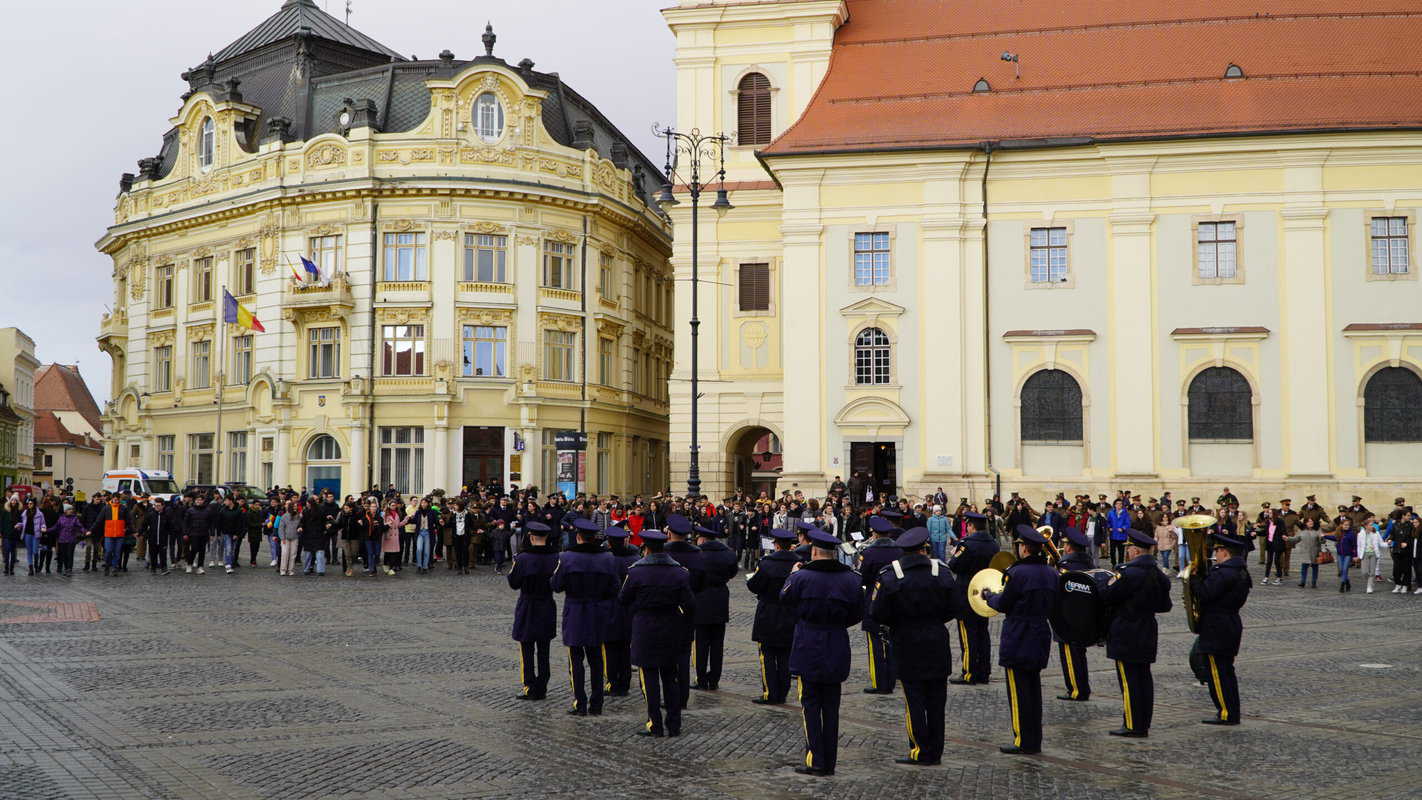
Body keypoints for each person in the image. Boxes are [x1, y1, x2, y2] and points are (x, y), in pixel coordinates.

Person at [869, 526, 959, 766]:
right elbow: (954, 607)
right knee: (937, 700)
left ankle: (920, 749)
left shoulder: (891, 575)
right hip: (937, 640)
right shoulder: (942, 572)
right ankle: (936, 751)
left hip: (906, 640)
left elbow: (878, 612)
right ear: (924, 548)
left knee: (915, 699)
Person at [781, 526, 864, 777]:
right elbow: (857, 613)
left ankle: (815, 758)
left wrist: (792, 575)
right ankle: (830, 761)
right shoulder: (851, 578)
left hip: (808, 642)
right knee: (831, 707)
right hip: (836, 642)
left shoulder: (801, 577)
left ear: (814, 551)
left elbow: (785, 600)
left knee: (810, 705)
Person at [980, 526, 1057, 755]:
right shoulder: (1052, 573)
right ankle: (1035, 739)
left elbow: (1004, 604)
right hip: (1040, 632)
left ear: (1024, 548)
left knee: (1019, 691)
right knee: (1034, 689)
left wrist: (989, 596)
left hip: (1019, 633)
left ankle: (1023, 740)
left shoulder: (1018, 573)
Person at [618, 528, 695, 737]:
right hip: (672, 625)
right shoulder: (680, 572)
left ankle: (655, 724)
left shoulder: (636, 571)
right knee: (671, 677)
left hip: (645, 627)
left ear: (645, 548)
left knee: (649, 677)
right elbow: (689, 603)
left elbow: (623, 599)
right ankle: (674, 724)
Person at [1099, 528, 1173, 738]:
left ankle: (1132, 725)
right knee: (1143, 680)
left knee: (1129, 681)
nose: (1128, 552)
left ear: (1136, 551)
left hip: (1126, 630)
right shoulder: (1158, 575)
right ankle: (1143, 722)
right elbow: (1165, 606)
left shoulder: (1128, 574)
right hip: (1147, 629)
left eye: (1130, 548)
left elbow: (1107, 595)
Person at [551, 517, 619, 716]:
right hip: (598, 611)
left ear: (578, 537)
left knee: (576, 659)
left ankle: (579, 702)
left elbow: (556, 585)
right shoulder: (607, 558)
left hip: (575, 611)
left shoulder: (567, 558)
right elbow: (614, 587)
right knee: (597, 659)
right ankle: (597, 703)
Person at [1193, 532, 1251, 726]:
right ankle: (1230, 711)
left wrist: (1194, 580)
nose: (1214, 554)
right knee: (1226, 671)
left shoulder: (1224, 573)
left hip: (1217, 626)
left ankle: (1226, 713)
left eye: (1216, 550)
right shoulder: (1240, 570)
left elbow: (1205, 594)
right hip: (1229, 624)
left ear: (1225, 552)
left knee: (1217, 673)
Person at [745, 527, 799, 705]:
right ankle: (782, 692)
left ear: (776, 545)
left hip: (768, 612)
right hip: (790, 613)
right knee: (785, 655)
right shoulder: (799, 562)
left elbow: (753, 585)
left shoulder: (767, 563)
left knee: (767, 655)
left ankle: (770, 692)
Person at [508, 520, 558, 700]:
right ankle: (542, 685)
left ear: (531, 536)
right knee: (544, 649)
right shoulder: (555, 557)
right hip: (547, 604)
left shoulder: (523, 558)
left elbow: (514, 583)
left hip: (528, 604)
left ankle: (529, 685)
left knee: (526, 647)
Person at [948, 511, 998, 685]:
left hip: (966, 593)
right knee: (983, 633)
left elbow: (953, 565)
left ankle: (969, 672)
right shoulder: (993, 544)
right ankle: (984, 672)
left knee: (968, 635)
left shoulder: (966, 544)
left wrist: (955, 553)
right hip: (985, 592)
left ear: (970, 526)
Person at [857, 515, 903, 694]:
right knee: (893, 640)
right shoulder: (899, 550)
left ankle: (879, 682)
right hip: (896, 600)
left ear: (874, 534)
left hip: (874, 600)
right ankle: (893, 676)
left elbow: (862, 576)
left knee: (875, 643)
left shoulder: (868, 553)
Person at [663, 514, 705, 707]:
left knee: (666, 655)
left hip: (667, 608)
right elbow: (702, 581)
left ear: (669, 533)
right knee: (684, 654)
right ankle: (683, 698)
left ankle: (670, 696)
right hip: (688, 608)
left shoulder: (664, 552)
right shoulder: (697, 553)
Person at [692, 522, 738, 691]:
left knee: (701, 643)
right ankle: (714, 679)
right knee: (717, 643)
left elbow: (694, 577)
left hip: (702, 598)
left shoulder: (698, 555)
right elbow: (733, 572)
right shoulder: (728, 554)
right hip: (720, 597)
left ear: (703, 539)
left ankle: (701, 678)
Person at [1054, 527, 1096, 701]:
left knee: (1070, 655)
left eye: (1065, 545)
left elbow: (1058, 588)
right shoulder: (1088, 563)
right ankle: (1082, 687)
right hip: (1084, 615)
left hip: (1068, 616)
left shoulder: (1066, 565)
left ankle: (1076, 690)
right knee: (1080, 654)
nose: (1064, 548)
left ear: (1070, 548)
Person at [602, 524, 639, 696]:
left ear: (610, 542)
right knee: (625, 646)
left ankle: (612, 681)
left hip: (610, 607)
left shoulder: (607, 560)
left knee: (610, 647)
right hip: (629, 608)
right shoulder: (634, 558)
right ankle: (624, 681)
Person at [1287, 517, 1323, 588]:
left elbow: (1322, 541)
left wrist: (1322, 538)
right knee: (1304, 568)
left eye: (1312, 521)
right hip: (1305, 553)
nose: (1311, 522)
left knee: (1315, 568)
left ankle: (1314, 582)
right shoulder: (1301, 531)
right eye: (1309, 521)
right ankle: (1302, 582)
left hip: (1315, 553)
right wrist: (1288, 538)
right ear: (1306, 523)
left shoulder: (1317, 530)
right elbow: (1296, 539)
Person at [1356, 517, 1386, 593]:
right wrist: (1359, 556)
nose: (1371, 526)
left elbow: (1381, 543)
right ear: (1365, 526)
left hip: (1374, 554)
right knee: (1364, 572)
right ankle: (1370, 582)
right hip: (1364, 554)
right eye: (1370, 525)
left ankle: (1369, 586)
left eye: (1372, 525)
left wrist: (1388, 544)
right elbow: (1358, 546)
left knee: (1372, 572)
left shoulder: (1376, 533)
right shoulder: (1360, 534)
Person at [278, 500, 301, 576]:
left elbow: (301, 525)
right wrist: (282, 538)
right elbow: (281, 528)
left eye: (296, 506)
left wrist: (300, 529)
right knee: (285, 554)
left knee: (293, 554)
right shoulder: (284, 516)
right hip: (286, 538)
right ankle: (283, 570)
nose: (295, 508)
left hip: (295, 537)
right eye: (294, 506)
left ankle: (290, 570)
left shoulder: (298, 516)